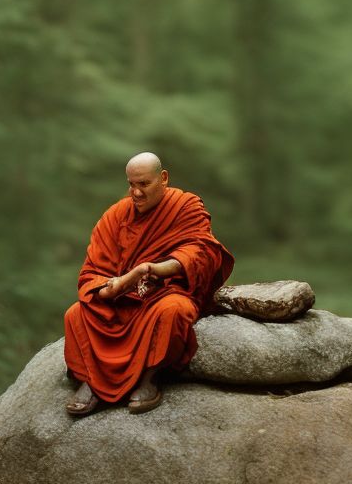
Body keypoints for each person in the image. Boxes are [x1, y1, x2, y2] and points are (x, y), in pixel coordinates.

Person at [64, 151, 234, 416]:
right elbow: (93, 270)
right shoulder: (116, 215)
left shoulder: (185, 205)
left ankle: (150, 378)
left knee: (174, 311)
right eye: (131, 184)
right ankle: (91, 381)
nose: (136, 193)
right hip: (122, 298)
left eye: (144, 184)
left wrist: (152, 269)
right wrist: (116, 285)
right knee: (76, 313)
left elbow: (200, 251)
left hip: (162, 293)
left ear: (163, 178)